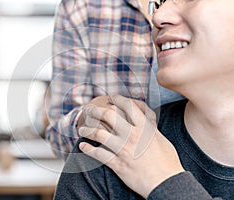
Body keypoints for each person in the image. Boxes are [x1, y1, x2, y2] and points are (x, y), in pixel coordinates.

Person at [54, 0, 234, 199]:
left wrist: (166, 181)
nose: (157, 17)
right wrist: (96, 121)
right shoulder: (103, 155)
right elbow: (61, 123)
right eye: (158, 4)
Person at [46, 0, 183, 159]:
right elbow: (59, 135)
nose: (158, 18)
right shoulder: (81, 7)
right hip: (113, 177)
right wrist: (88, 118)